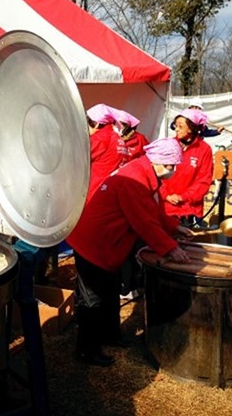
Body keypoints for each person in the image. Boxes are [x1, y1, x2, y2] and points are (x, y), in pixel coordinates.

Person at [66, 138, 192, 366]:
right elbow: (144, 222)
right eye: (172, 165)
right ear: (158, 161)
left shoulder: (144, 173)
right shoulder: (134, 179)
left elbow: (152, 210)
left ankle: (110, 335)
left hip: (107, 244)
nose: (173, 170)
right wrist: (170, 248)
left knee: (110, 291)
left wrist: (174, 227)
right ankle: (86, 349)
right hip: (93, 243)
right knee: (92, 299)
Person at [160, 108, 214, 227]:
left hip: (189, 209)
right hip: (164, 207)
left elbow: (204, 180)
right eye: (175, 125)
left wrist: (183, 197)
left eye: (180, 126)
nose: (176, 129)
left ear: (191, 128)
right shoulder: (167, 145)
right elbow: (156, 173)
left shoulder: (204, 149)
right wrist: (165, 195)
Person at [85, 104, 129, 201]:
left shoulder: (99, 138)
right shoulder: (117, 138)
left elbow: (78, 161)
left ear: (96, 123)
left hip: (93, 192)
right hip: (108, 191)